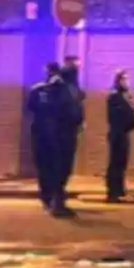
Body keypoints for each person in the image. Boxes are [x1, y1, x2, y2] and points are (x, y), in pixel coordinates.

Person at [27, 61, 79, 217]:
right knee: (54, 170)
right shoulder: (62, 91)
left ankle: (52, 200)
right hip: (55, 137)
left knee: (52, 170)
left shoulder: (62, 90)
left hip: (50, 136)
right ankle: (53, 201)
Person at [106, 69, 134, 202]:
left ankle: (120, 190)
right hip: (118, 133)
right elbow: (116, 117)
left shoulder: (126, 96)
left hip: (124, 133)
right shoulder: (115, 97)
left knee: (122, 163)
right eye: (124, 79)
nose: (127, 82)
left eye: (128, 79)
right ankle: (113, 192)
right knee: (116, 163)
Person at [56, 57, 85, 205]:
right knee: (63, 163)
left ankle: (59, 193)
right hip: (65, 131)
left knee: (65, 164)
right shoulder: (65, 89)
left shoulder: (71, 89)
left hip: (69, 130)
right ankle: (57, 197)